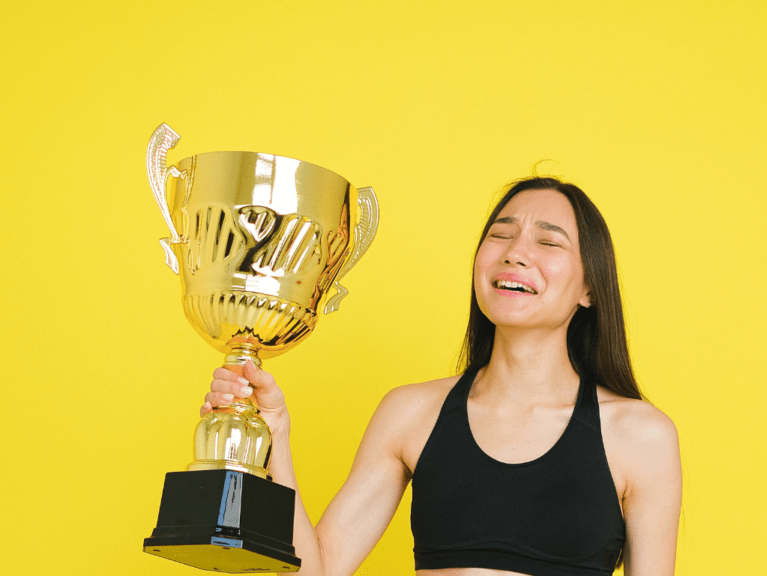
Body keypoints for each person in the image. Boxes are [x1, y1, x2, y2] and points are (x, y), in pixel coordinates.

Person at [202, 177, 682, 576]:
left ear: (590, 289)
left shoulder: (640, 435)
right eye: (501, 234)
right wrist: (275, 436)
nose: (516, 253)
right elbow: (318, 570)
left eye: (548, 241)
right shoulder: (411, 412)